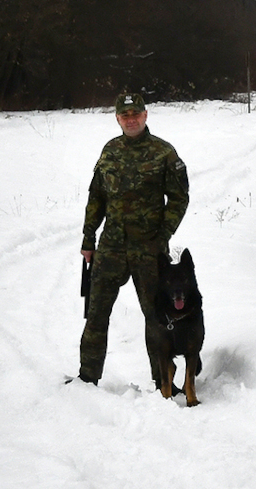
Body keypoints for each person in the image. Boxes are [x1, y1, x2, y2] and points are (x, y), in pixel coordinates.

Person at [73, 92, 189, 386]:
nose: (131, 120)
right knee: (96, 314)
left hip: (149, 250)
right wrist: (89, 239)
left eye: (136, 114)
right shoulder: (110, 151)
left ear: (145, 115)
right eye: (125, 116)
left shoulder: (164, 153)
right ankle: (87, 378)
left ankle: (163, 382)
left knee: (157, 318)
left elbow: (179, 198)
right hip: (111, 246)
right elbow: (96, 197)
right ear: (117, 119)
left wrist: (162, 235)